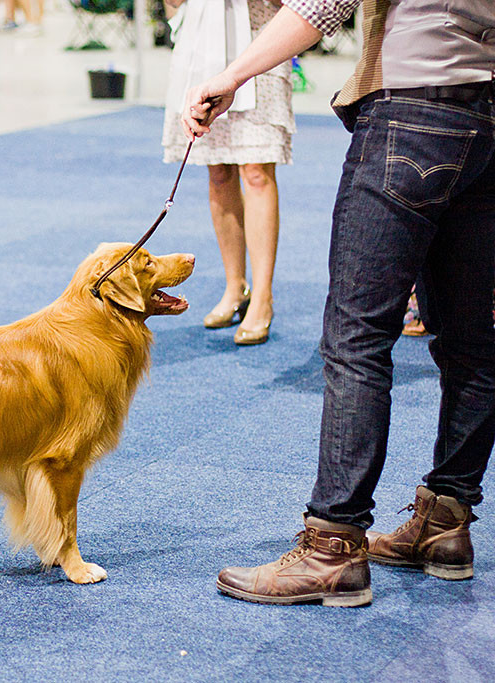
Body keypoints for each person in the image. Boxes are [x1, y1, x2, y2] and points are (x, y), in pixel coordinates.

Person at [182, 0, 494, 606]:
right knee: (473, 342)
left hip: (410, 116)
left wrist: (231, 75)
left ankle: (332, 547)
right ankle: (446, 523)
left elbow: (323, 5)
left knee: (357, 339)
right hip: (487, 123)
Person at [163, 0, 294, 345]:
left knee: (256, 170)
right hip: (200, 43)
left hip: (262, 37)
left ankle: (263, 296)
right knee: (218, 170)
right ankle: (235, 284)